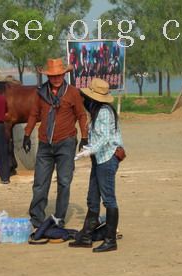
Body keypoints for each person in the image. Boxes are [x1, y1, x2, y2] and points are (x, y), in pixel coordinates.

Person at [23, 58, 88, 229]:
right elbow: (34, 114)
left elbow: (81, 115)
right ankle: (36, 218)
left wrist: (85, 137)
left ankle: (59, 218)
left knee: (64, 182)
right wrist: (27, 134)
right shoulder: (41, 93)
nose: (56, 78)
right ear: (48, 77)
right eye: (52, 76)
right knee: (40, 182)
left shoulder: (73, 92)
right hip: (45, 143)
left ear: (64, 75)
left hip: (66, 142)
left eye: (59, 75)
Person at [68, 78, 124, 252]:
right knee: (92, 198)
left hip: (107, 158)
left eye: (86, 96)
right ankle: (86, 236)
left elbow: (105, 138)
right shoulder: (98, 111)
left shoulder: (105, 112)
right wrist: (90, 150)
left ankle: (110, 240)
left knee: (108, 198)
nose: (84, 99)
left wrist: (89, 150)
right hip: (99, 158)